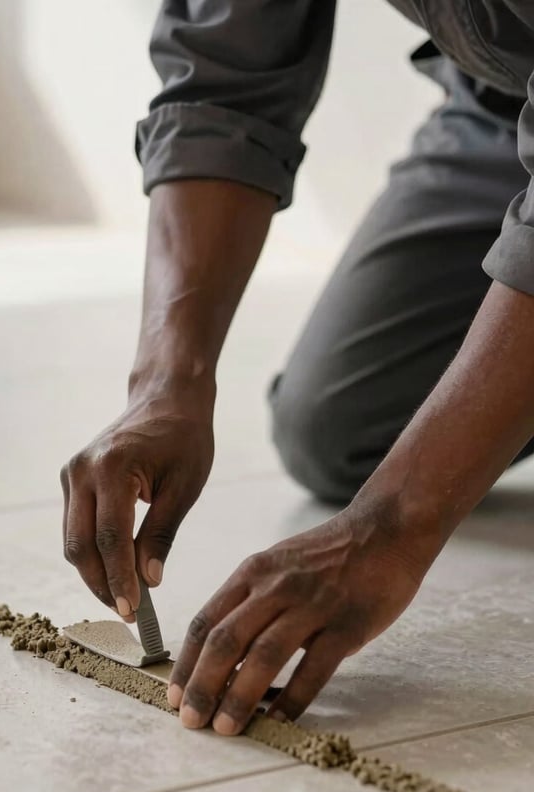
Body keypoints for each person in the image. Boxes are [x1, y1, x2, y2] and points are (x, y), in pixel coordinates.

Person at [60, 2, 534, 737]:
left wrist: (388, 528)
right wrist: (167, 382)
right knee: (341, 426)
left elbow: (398, 519)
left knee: (414, 476)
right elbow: (224, 77)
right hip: (503, 112)